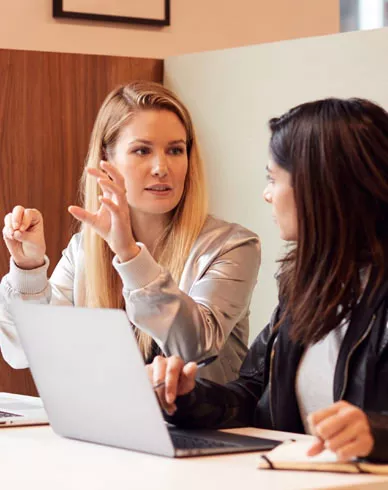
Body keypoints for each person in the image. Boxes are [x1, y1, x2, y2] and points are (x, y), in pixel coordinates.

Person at [147, 97, 388, 462]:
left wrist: (378, 434)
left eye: (273, 179)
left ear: (320, 186)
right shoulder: (307, 285)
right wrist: (186, 397)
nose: (267, 194)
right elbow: (250, 396)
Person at [1, 81, 260, 383]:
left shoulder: (232, 245)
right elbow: (24, 353)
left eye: (176, 150)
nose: (162, 167)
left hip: (197, 430)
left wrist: (129, 255)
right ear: (106, 162)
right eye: (142, 150)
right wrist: (29, 269)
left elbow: (196, 349)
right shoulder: (84, 250)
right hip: (107, 426)